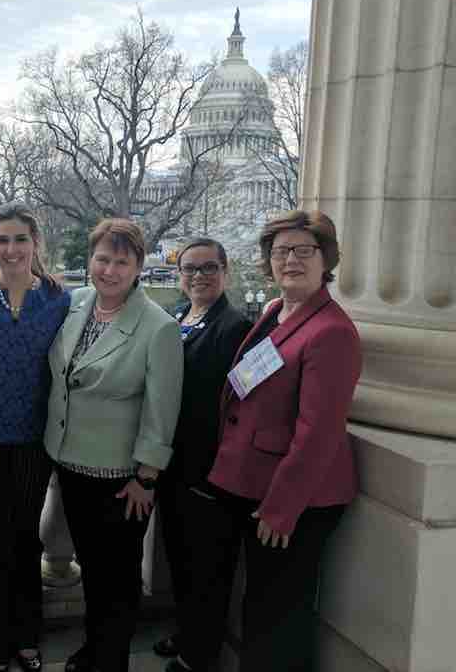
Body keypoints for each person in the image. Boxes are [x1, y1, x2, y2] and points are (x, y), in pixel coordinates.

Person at [170, 210, 361, 672]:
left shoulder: (332, 332)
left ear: (326, 259)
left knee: (277, 613)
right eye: (280, 252)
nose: (290, 260)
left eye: (303, 250)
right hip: (249, 482)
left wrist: (281, 507)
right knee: (257, 603)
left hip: (296, 501)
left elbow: (318, 432)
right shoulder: (277, 311)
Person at [44, 218, 183, 672]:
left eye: (121, 262)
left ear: (139, 266)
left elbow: (162, 410)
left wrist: (148, 476)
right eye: (102, 258)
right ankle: (94, 649)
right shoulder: (75, 303)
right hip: (71, 466)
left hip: (122, 481)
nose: (109, 270)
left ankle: (110, 661)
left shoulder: (157, 327)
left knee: (117, 583)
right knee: (91, 572)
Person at [0, 202, 70, 672]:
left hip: (31, 441)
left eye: (20, 239)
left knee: (26, 542)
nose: (11, 249)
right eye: (2, 239)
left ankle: (25, 636)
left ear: (36, 244)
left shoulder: (58, 299)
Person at [152, 238, 251, 662]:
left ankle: (200, 654)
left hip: (211, 474)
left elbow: (244, 406)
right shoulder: (177, 316)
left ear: (224, 272)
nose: (198, 276)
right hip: (174, 466)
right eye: (189, 268)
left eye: (208, 268)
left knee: (208, 570)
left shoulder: (237, 328)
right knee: (180, 560)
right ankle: (185, 631)